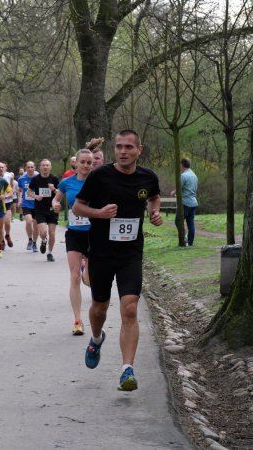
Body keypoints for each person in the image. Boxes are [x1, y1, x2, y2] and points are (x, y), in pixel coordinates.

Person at [72, 130, 163, 392]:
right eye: (119, 147)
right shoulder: (100, 176)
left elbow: (154, 198)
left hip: (130, 253)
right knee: (99, 308)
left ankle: (127, 370)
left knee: (130, 308)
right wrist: (99, 213)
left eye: (129, 147)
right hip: (101, 252)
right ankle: (97, 339)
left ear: (139, 150)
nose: (123, 151)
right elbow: (78, 207)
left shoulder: (148, 177)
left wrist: (154, 212)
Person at [52, 149, 93, 335]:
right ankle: (77, 320)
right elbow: (56, 199)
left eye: (89, 163)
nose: (85, 165)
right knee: (74, 276)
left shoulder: (98, 182)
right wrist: (55, 204)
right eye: (82, 162)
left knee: (90, 281)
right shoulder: (67, 183)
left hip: (94, 234)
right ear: (75, 163)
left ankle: (87, 272)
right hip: (74, 234)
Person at [29, 159, 60, 262]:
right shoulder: (35, 179)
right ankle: (43, 240)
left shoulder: (54, 179)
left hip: (52, 209)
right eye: (43, 165)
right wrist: (36, 196)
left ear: (50, 167)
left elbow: (60, 194)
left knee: (52, 232)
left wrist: (54, 189)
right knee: (43, 232)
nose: (45, 167)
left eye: (47, 165)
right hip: (40, 209)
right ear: (40, 167)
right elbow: (29, 191)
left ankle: (50, 253)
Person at [17, 161, 39, 252]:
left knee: (36, 225)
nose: (30, 169)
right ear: (26, 168)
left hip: (37, 204)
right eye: (28, 167)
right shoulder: (22, 179)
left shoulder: (38, 177)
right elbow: (20, 190)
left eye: (32, 167)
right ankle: (30, 239)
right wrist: (19, 200)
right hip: (26, 204)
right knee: (29, 221)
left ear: (34, 168)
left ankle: (34, 242)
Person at [179, 158, 198, 247]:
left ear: (182, 165)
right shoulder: (194, 176)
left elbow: (179, 188)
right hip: (193, 202)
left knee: (178, 221)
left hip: (185, 203)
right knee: (190, 223)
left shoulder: (183, 176)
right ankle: (190, 243)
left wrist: (173, 192)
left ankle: (184, 239)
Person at [0, 162, 15, 247]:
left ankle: (7, 235)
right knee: (0, 224)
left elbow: (12, 188)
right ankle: (1, 240)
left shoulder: (9, 176)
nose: (0, 169)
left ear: (5, 168)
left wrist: (7, 195)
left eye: (2, 167)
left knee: (7, 222)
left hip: (7, 202)